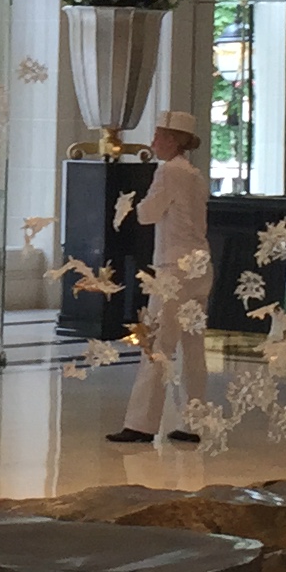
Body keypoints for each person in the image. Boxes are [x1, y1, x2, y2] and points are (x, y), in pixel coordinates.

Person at [110, 108, 211, 444]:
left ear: (172, 140)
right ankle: (193, 422)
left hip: (173, 270)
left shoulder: (168, 171)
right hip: (199, 267)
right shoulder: (195, 175)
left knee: (156, 344)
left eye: (157, 136)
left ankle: (141, 423)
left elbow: (148, 213)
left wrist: (132, 205)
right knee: (193, 347)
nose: (153, 142)